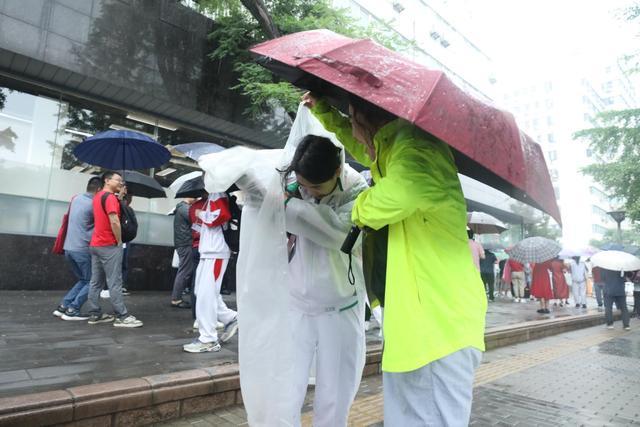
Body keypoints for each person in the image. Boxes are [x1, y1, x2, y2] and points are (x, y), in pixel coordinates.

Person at [304, 92, 486, 427]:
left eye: (352, 117)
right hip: (419, 323)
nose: (354, 135)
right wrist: (326, 113)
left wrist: (352, 208)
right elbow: (362, 147)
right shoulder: (394, 145)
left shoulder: (417, 150)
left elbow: (393, 197)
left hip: (438, 327)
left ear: (365, 119)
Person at [280, 135, 368, 426]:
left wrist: (286, 207)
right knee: (284, 386)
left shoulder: (359, 192)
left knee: (336, 392)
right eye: (304, 186)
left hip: (340, 306)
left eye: (316, 187)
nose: (310, 194)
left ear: (337, 171)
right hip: (296, 302)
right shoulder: (294, 182)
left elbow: (342, 236)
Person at [85, 171, 143, 327]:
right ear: (107, 180)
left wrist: (120, 197)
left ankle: (94, 313)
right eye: (118, 180)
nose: (120, 183)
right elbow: (115, 222)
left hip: (95, 244)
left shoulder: (98, 196)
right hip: (109, 245)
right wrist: (118, 240)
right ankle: (122, 316)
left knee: (95, 281)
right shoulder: (110, 198)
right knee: (115, 281)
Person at [183, 192, 238, 353]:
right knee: (202, 292)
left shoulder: (217, 193)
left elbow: (221, 216)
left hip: (216, 251)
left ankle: (208, 339)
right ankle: (230, 318)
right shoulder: (213, 196)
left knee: (206, 293)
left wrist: (201, 214)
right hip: (209, 251)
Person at [52, 176, 102, 321]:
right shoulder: (94, 204)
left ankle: (63, 306)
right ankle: (72, 310)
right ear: (99, 190)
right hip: (82, 249)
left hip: (69, 248)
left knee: (83, 279)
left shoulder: (76, 199)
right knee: (93, 280)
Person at [170, 197, 196, 308]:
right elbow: (195, 219)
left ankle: (176, 297)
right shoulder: (185, 208)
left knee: (184, 270)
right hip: (185, 243)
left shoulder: (181, 207)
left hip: (183, 243)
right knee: (184, 271)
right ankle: (176, 299)